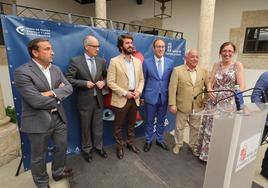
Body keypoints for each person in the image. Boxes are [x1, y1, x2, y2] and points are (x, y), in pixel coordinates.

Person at [14, 38, 73, 188]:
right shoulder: (22, 72)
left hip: (58, 117)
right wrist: (58, 96)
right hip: (37, 120)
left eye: (51, 48)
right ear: (35, 52)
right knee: (39, 156)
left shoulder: (56, 69)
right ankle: (42, 183)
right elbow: (35, 101)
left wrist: (49, 93)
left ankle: (58, 172)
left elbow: (69, 88)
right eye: (47, 49)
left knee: (61, 146)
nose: (52, 52)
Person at [194, 42, 245, 162]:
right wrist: (210, 89)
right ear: (220, 52)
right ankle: (206, 156)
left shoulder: (237, 65)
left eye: (230, 51)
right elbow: (210, 82)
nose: (227, 54)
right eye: (225, 51)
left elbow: (242, 86)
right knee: (210, 129)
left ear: (233, 53)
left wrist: (230, 96)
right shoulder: (216, 65)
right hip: (213, 102)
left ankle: (219, 158)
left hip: (227, 104)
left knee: (222, 132)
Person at [66, 35, 108, 163]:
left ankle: (99, 147)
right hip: (84, 101)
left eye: (98, 46)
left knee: (98, 126)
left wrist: (104, 82)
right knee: (85, 127)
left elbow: (107, 77)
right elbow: (68, 79)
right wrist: (84, 83)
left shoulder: (101, 61)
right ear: (86, 47)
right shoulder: (75, 61)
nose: (98, 49)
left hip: (98, 100)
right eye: (95, 46)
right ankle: (87, 150)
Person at [107, 34, 144, 159]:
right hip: (122, 98)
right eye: (127, 43)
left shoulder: (138, 62)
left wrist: (138, 91)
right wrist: (125, 93)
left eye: (131, 43)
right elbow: (110, 82)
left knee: (132, 123)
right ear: (121, 46)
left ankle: (130, 143)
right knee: (118, 126)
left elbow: (141, 80)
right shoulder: (114, 61)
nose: (131, 45)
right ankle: (119, 147)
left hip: (135, 97)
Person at [168, 49, 208, 155]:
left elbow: (208, 88)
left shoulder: (203, 71)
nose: (195, 59)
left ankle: (192, 146)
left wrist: (205, 100)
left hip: (197, 106)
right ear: (186, 58)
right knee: (179, 127)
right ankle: (178, 144)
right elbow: (172, 88)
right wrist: (172, 104)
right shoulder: (177, 70)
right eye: (192, 57)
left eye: (197, 57)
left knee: (195, 128)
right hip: (182, 105)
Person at [142, 38, 174, 152]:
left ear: (165, 49)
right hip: (150, 96)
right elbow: (143, 80)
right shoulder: (146, 62)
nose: (161, 49)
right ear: (154, 48)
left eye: (162, 47)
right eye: (158, 47)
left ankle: (159, 140)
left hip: (164, 97)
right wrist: (142, 96)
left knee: (161, 120)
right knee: (150, 121)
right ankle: (148, 140)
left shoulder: (170, 62)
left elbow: (171, 81)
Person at [251, 71, 268, 179]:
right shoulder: (266, 76)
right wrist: (263, 111)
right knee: (252, 145)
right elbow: (255, 96)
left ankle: (266, 172)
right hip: (264, 119)